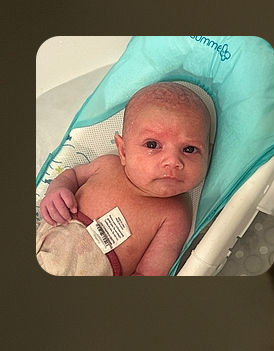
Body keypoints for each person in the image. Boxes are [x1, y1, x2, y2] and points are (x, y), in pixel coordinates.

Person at [36, 82, 212, 276]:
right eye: (153, 144)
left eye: (189, 149)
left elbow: (148, 274)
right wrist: (57, 191)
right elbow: (71, 175)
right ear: (123, 150)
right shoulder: (106, 165)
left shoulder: (175, 215)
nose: (172, 161)